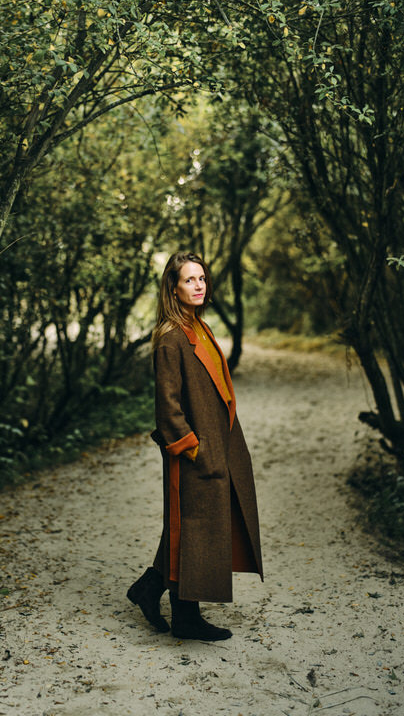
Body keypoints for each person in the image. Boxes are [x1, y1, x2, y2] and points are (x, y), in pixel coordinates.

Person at [127, 251, 263, 641]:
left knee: (195, 528)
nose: (199, 285)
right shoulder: (171, 338)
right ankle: (182, 615)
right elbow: (167, 407)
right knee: (193, 528)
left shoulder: (198, 329)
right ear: (173, 288)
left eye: (202, 278)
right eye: (189, 280)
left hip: (217, 447)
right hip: (192, 453)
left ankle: (152, 591)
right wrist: (193, 449)